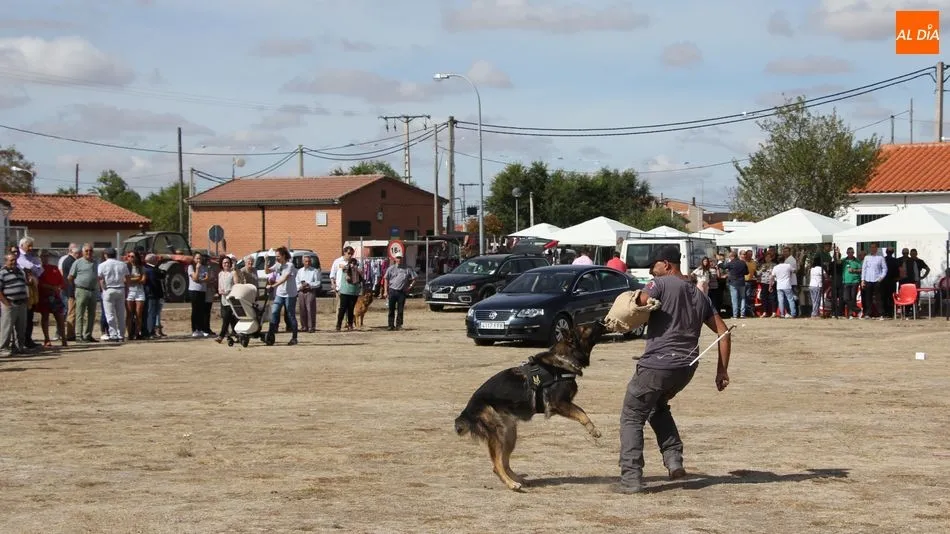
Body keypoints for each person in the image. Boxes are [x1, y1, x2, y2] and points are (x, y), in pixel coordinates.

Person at [615, 245, 731, 494]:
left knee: (632, 416)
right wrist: (722, 371)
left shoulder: (661, 283)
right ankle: (674, 461)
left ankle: (631, 478)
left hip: (657, 364)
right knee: (657, 407)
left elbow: (641, 302)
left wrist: (632, 303)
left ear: (667, 265)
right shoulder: (699, 294)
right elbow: (723, 332)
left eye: (654, 266)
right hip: (685, 369)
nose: (651, 271)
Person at [265, 246, 299, 345]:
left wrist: (272, 286)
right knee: (274, 312)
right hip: (280, 294)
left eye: (278, 256)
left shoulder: (290, 266)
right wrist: (266, 261)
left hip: (290, 295)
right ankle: (270, 334)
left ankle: (294, 337)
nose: (276, 258)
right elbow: (267, 271)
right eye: (276, 256)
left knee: (290, 315)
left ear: (284, 256)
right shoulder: (277, 265)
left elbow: (284, 278)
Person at [0, 252, 30, 356]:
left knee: (21, 327)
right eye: (11, 260)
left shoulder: (20, 272)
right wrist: (6, 303)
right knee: (7, 328)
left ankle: (19, 347)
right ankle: (3, 348)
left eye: (15, 260)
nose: (13, 262)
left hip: (21, 304)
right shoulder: (2, 273)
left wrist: (26, 298)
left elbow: (24, 285)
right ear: (6, 261)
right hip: (9, 304)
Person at [36, 250, 68, 347]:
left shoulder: (54, 268)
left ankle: (63, 338)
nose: (45, 258)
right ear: (39, 257)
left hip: (55, 296)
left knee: (60, 317)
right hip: (44, 296)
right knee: (45, 317)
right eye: (43, 256)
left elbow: (62, 282)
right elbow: (38, 283)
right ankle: (47, 339)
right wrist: (50, 287)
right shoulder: (38, 269)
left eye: (46, 256)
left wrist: (58, 287)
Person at [97, 248, 130, 342]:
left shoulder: (102, 265)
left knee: (110, 313)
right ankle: (121, 334)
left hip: (109, 289)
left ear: (105, 255)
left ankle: (113, 334)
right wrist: (127, 288)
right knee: (120, 313)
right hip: (120, 288)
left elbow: (100, 278)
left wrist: (103, 288)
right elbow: (127, 277)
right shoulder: (122, 264)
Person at [68, 244, 99, 343]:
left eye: (90, 250)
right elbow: (70, 277)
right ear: (82, 252)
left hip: (93, 290)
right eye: (86, 251)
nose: (89, 253)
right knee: (80, 314)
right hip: (81, 290)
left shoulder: (95, 263)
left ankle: (88, 335)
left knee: (92, 314)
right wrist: (75, 287)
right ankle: (78, 335)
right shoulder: (77, 262)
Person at [382, 253, 415, 331]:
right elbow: (386, 279)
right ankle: (390, 325)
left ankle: (399, 325)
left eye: (400, 258)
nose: (399, 259)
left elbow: (414, 278)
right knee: (391, 309)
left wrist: (409, 287)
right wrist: (385, 291)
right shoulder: (390, 268)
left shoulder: (407, 269)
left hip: (402, 292)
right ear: (395, 259)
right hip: (392, 290)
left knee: (400, 309)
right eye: (397, 258)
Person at [335, 257, 363, 331]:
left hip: (354, 292)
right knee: (342, 309)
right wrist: (349, 266)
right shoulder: (346, 269)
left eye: (354, 263)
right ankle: (338, 324)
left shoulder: (357, 270)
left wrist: (356, 268)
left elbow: (361, 273)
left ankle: (350, 324)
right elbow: (341, 266)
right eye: (351, 263)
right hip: (345, 292)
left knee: (351, 309)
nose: (353, 265)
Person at [143, 254, 166, 338]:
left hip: (153, 294)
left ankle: (152, 330)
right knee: (151, 313)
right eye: (156, 259)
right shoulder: (150, 269)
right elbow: (155, 282)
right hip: (152, 294)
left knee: (154, 313)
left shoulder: (152, 268)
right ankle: (150, 331)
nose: (157, 260)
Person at [188, 252, 211, 337]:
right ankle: (195, 329)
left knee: (201, 310)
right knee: (195, 310)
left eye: (200, 258)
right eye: (197, 258)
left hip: (202, 290)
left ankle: (201, 329)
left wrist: (200, 280)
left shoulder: (205, 267)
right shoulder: (191, 267)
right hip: (194, 290)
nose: (198, 260)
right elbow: (195, 278)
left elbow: (207, 278)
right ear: (194, 259)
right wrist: (197, 269)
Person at [215, 256, 237, 343]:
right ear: (222, 264)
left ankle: (221, 336)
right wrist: (219, 290)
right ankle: (236, 334)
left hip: (231, 299)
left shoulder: (233, 273)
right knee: (230, 318)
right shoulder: (220, 274)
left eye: (228, 262)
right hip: (223, 299)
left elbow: (236, 285)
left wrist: (228, 291)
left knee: (226, 318)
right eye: (224, 263)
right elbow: (219, 285)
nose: (226, 264)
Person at [125, 250, 146, 340]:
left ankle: (138, 332)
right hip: (129, 292)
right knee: (129, 314)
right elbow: (125, 280)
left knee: (138, 314)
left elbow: (143, 280)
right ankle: (129, 333)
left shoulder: (141, 267)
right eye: (129, 256)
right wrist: (137, 278)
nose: (130, 258)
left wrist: (132, 279)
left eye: (132, 256)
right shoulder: (126, 267)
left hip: (139, 292)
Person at [296, 255, 320, 333]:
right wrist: (300, 286)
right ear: (303, 262)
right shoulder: (300, 271)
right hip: (301, 292)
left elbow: (318, 283)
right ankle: (304, 326)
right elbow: (296, 282)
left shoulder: (314, 271)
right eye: (306, 261)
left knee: (310, 309)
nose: (308, 263)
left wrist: (309, 284)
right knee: (302, 309)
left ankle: (311, 327)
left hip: (310, 291)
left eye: (309, 261)